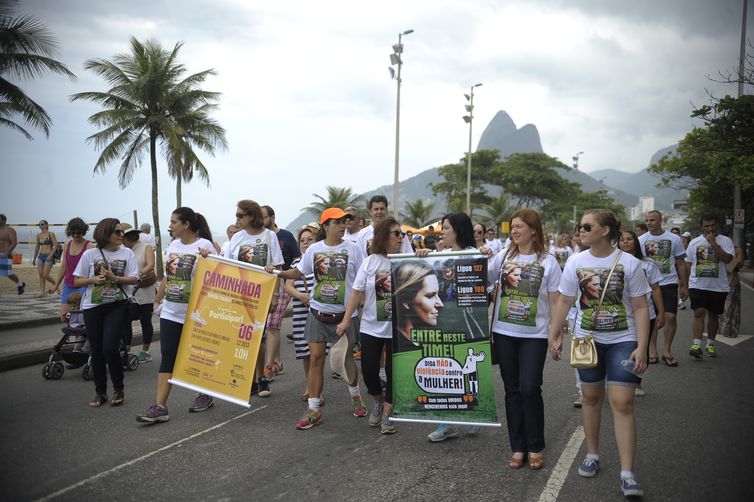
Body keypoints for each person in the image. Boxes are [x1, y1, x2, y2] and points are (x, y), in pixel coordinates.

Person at [548, 209, 650, 498]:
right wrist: (554, 334)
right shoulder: (576, 261)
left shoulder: (629, 263)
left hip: (623, 339)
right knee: (591, 398)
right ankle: (592, 454)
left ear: (605, 231)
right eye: (580, 226)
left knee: (622, 402)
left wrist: (642, 346)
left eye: (586, 226)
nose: (580, 230)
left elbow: (641, 308)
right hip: (586, 340)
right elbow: (566, 300)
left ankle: (627, 473)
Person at [270, 208, 366, 430]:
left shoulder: (353, 249)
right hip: (317, 313)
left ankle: (355, 396)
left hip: (345, 317)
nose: (342, 226)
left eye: (344, 222)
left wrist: (360, 306)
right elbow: (298, 273)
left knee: (346, 360)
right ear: (326, 226)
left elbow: (362, 280)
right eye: (337, 222)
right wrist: (277, 273)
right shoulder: (314, 249)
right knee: (315, 359)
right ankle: (314, 410)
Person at [487, 208, 561, 470]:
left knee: (530, 387)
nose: (515, 231)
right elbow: (476, 275)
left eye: (520, 226)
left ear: (533, 229)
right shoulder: (502, 257)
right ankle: (517, 446)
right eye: (513, 226)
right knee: (512, 390)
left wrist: (556, 335)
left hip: (535, 336)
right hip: (504, 333)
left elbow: (555, 301)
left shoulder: (549, 261)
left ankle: (535, 445)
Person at [137, 207, 217, 423]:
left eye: (174, 222)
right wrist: (157, 299)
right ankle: (160, 406)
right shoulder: (173, 245)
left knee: (198, 355)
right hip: (172, 311)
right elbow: (167, 276)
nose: (170, 225)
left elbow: (218, 277)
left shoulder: (205, 245)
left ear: (186, 224)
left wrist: (210, 260)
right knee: (168, 355)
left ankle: (204, 393)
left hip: (197, 313)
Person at [413, 212, 483, 442]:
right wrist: (423, 254)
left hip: (469, 322)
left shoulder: (475, 255)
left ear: (459, 229)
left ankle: (471, 414)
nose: (443, 231)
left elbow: (487, 283)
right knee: (445, 369)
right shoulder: (440, 256)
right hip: (444, 324)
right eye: (442, 227)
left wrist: (485, 257)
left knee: (469, 368)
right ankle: (446, 424)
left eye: (446, 227)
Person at [337, 217, 403, 434]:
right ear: (384, 237)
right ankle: (378, 401)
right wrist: (346, 320)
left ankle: (388, 413)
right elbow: (356, 292)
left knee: (394, 374)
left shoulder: (406, 260)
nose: (401, 237)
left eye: (401, 234)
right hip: (371, 327)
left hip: (397, 329)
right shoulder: (370, 262)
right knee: (370, 372)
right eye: (396, 233)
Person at [73, 218, 139, 408]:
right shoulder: (90, 254)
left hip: (117, 304)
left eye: (122, 232)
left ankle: (118, 388)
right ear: (105, 234)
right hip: (93, 306)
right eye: (117, 232)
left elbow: (134, 279)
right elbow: (76, 281)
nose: (121, 235)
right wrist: (94, 280)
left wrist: (114, 277)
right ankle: (100, 392)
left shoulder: (127, 253)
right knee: (96, 350)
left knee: (109, 348)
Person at [227, 200, 284, 396]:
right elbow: (226, 264)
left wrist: (275, 295)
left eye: (240, 215)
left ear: (251, 216)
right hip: (239, 294)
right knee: (243, 337)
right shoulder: (236, 238)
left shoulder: (269, 237)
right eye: (236, 216)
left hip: (262, 295)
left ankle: (261, 378)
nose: (237, 219)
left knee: (257, 337)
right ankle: (248, 379)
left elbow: (277, 267)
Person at [638, 210, 687, 367]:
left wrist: (684, 285)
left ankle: (667, 350)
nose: (649, 223)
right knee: (652, 318)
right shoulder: (641, 240)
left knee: (670, 317)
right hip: (649, 284)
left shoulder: (674, 239)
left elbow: (680, 262)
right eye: (646, 220)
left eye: (652, 220)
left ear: (661, 221)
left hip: (669, 282)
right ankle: (653, 350)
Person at [619, 230, 665, 395]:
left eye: (629, 239)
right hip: (622, 314)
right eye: (622, 239)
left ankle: (636, 382)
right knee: (622, 347)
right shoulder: (612, 263)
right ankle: (619, 380)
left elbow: (655, 288)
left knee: (641, 348)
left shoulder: (647, 263)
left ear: (635, 242)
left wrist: (661, 312)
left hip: (646, 313)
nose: (625, 242)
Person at [685, 215, 735, 359]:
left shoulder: (725, 241)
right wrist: (688, 282)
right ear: (701, 227)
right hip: (697, 285)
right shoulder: (694, 242)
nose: (710, 228)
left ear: (717, 225)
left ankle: (711, 344)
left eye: (712, 225)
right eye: (706, 226)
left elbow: (728, 259)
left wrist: (713, 244)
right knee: (699, 312)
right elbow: (688, 263)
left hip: (718, 286)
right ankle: (696, 345)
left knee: (713, 316)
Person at [261, 205, 302, 379]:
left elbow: (297, 258)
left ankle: (270, 366)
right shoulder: (260, 238)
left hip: (282, 281)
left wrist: (291, 278)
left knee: (272, 324)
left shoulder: (285, 236)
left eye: (264, 217)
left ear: (272, 217)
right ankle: (277, 361)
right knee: (270, 327)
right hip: (263, 284)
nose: (261, 221)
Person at [285, 223, 320, 400]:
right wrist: (300, 295)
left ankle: (317, 391)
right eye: (302, 241)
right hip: (300, 311)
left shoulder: (321, 260)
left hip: (318, 312)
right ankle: (309, 384)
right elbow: (287, 286)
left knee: (316, 354)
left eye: (309, 239)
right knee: (305, 353)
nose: (306, 243)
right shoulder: (295, 263)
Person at [121, 224, 157, 363]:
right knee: (125, 322)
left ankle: (145, 351)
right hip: (128, 290)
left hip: (145, 289)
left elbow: (150, 264)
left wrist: (138, 274)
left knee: (145, 321)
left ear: (128, 238)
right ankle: (126, 351)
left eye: (123, 237)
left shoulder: (145, 247)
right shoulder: (123, 250)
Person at [356, 195, 412, 261]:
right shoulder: (362, 234)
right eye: (376, 209)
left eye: (382, 209)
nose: (379, 212)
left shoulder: (399, 232)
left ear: (386, 210)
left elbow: (408, 254)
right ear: (370, 212)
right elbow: (359, 260)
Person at [0, 214, 26, 294]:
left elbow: (14, 243)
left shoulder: (10, 230)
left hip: (6, 254)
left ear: (3, 220)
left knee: (8, 273)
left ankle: (20, 284)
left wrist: (6, 252)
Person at [32, 220, 58, 297]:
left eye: (42, 224)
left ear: (46, 225)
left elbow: (56, 245)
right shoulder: (38, 235)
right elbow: (37, 247)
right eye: (39, 224)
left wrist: (51, 255)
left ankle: (56, 286)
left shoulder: (51, 234)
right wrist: (34, 258)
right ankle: (42, 293)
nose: (41, 226)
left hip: (48, 256)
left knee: (45, 275)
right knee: (40, 275)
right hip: (40, 256)